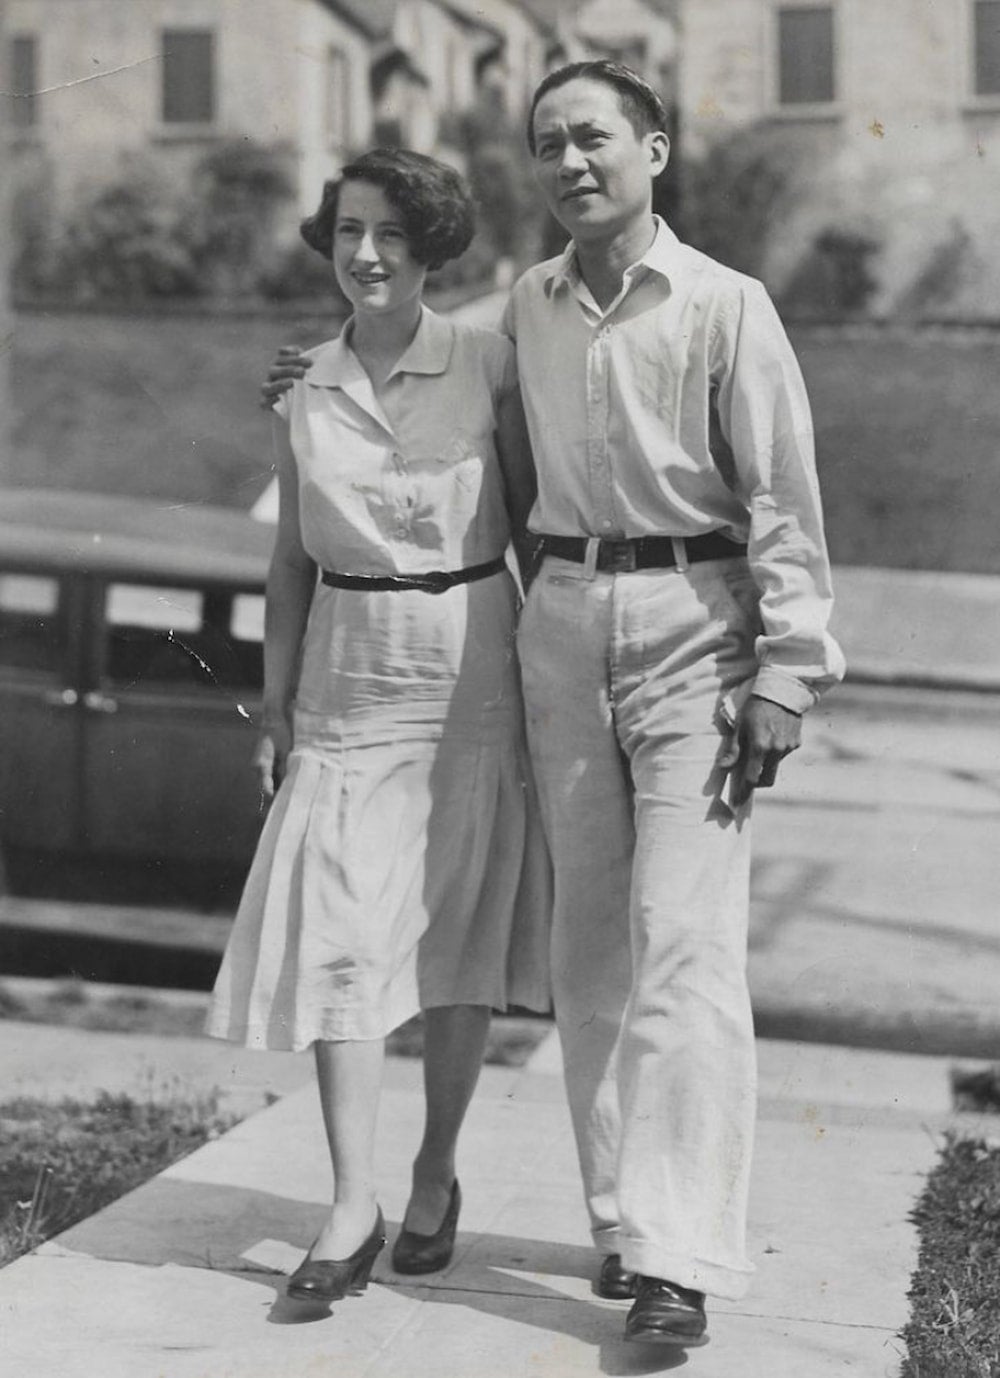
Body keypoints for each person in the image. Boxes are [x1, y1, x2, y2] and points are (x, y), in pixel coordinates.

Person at [262, 61, 845, 1350]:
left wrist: (787, 671)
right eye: (546, 145)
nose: (569, 162)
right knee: (591, 952)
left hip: (699, 629)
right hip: (563, 627)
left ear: (654, 145)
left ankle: (679, 1260)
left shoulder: (724, 305)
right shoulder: (526, 305)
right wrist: (319, 363)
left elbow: (784, 501)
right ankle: (624, 1217)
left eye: (592, 139)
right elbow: (412, 339)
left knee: (681, 944)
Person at [208, 148, 550, 1306]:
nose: (367, 254)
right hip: (349, 678)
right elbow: (288, 561)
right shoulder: (302, 378)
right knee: (340, 936)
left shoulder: (488, 361)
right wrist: (280, 704)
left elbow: (531, 528)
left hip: (471, 666)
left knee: (453, 941)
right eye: (351, 230)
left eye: (393, 234)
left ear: (432, 245)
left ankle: (435, 1173)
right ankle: (350, 1205)